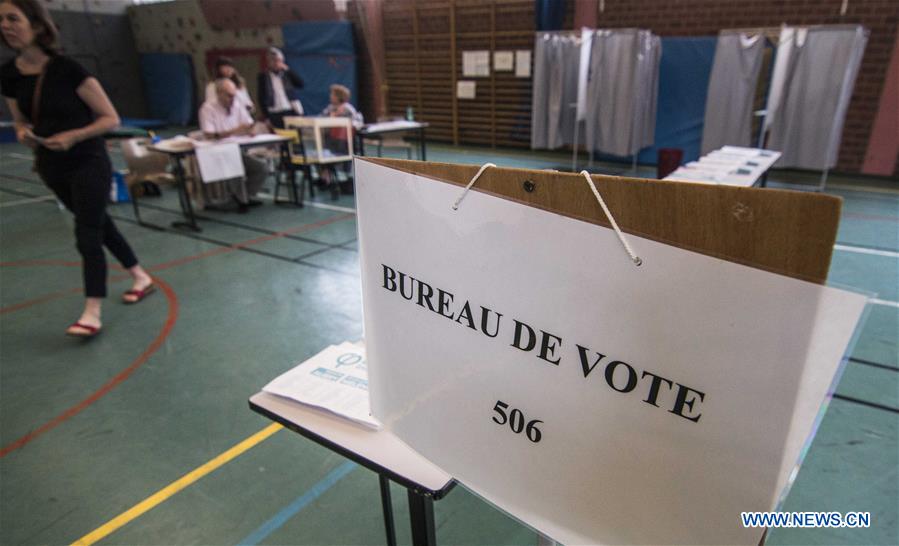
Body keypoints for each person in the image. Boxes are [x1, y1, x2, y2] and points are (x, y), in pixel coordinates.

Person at [1, 0, 154, 338]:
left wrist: (75, 135)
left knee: (87, 233)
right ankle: (141, 275)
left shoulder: (69, 69)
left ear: (37, 25)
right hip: (51, 165)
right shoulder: (9, 75)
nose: (6, 26)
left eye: (13, 18)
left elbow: (110, 118)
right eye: (1, 20)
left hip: (88, 161)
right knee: (100, 224)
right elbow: (20, 121)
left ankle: (92, 311)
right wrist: (25, 135)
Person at [198, 77, 268, 211]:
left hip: (236, 148)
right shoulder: (207, 108)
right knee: (235, 168)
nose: (232, 99)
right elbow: (209, 134)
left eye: (234, 95)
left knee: (262, 168)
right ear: (219, 94)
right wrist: (234, 131)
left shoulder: (237, 104)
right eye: (229, 96)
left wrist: (250, 130)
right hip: (216, 151)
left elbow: (248, 123)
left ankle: (244, 196)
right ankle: (241, 200)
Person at [319, 84, 363, 199]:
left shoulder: (347, 108)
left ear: (339, 96)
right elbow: (320, 119)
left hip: (343, 142)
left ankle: (341, 178)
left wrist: (340, 118)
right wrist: (332, 116)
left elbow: (356, 123)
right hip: (329, 141)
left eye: (332, 94)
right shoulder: (330, 108)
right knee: (323, 150)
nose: (330, 96)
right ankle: (325, 178)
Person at [256, 47, 303, 129]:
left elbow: (300, 84)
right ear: (268, 62)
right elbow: (261, 97)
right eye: (273, 61)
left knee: (295, 135)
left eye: (278, 61)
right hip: (275, 112)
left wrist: (288, 70)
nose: (275, 63)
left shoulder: (286, 74)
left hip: (290, 109)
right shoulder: (263, 77)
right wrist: (266, 116)